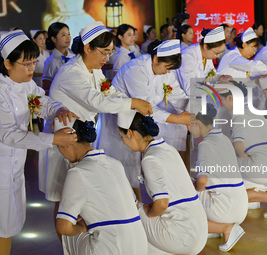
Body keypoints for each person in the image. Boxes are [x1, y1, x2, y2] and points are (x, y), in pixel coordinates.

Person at [39, 21, 152, 228]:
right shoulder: (71, 72)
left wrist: (133, 103)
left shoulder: (93, 70)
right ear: (87, 47)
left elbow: (109, 92)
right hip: (64, 144)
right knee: (65, 203)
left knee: (81, 198)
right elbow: (97, 101)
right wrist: (133, 102)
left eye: (110, 52)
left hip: (83, 142)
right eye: (103, 52)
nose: (106, 58)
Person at [0, 30, 77, 255]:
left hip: (14, 164)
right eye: (26, 64)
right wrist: (53, 139)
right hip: (3, 161)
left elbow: (41, 100)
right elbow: (10, 135)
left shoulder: (24, 83)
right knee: (2, 226)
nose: (32, 68)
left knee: (9, 223)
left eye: (33, 62)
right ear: (7, 63)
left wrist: (57, 109)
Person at [97, 39, 189, 196]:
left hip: (137, 125)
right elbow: (145, 107)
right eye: (167, 68)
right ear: (155, 59)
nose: (168, 72)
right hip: (119, 125)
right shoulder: (137, 70)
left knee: (133, 169)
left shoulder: (165, 72)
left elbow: (180, 97)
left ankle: (135, 207)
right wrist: (178, 119)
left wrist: (198, 113)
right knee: (119, 170)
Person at [118, 110, 208, 255]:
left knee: (129, 212)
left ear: (130, 133)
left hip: (183, 235)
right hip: (200, 231)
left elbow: (162, 204)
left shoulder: (149, 159)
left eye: (121, 136)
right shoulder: (168, 149)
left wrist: (150, 211)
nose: (123, 141)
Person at [56, 119, 148, 255]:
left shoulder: (77, 172)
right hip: (140, 246)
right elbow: (134, 205)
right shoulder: (116, 164)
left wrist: (81, 227)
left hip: (112, 249)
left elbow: (63, 228)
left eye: (58, 147)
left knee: (68, 231)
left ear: (67, 144)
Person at [218, 81, 267, 218]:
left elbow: (238, 145)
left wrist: (242, 155)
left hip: (262, 168)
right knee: (240, 191)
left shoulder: (238, 115)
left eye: (221, 99)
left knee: (226, 181)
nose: (221, 103)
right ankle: (257, 198)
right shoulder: (253, 111)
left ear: (230, 98)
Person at [190, 103, 248, 252]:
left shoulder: (206, 144)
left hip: (224, 210)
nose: (188, 129)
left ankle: (225, 228)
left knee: (184, 194)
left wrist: (194, 188)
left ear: (196, 123)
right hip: (241, 207)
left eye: (189, 125)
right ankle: (218, 225)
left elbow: (202, 180)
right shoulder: (224, 139)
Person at [218, 27, 267, 110]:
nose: (254, 53)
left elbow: (244, 83)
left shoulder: (240, 59)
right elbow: (251, 66)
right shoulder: (232, 56)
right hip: (222, 99)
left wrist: (256, 81)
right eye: (253, 49)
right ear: (244, 45)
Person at [177, 26, 226, 95]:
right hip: (182, 101)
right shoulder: (187, 56)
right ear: (206, 46)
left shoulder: (206, 54)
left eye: (220, 53)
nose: (217, 56)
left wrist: (220, 77)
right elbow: (190, 89)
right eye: (216, 53)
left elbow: (211, 74)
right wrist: (216, 87)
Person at [42, 22, 75, 95]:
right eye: (63, 35)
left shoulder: (74, 55)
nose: (68, 37)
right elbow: (46, 89)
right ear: (53, 39)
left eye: (68, 34)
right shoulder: (50, 61)